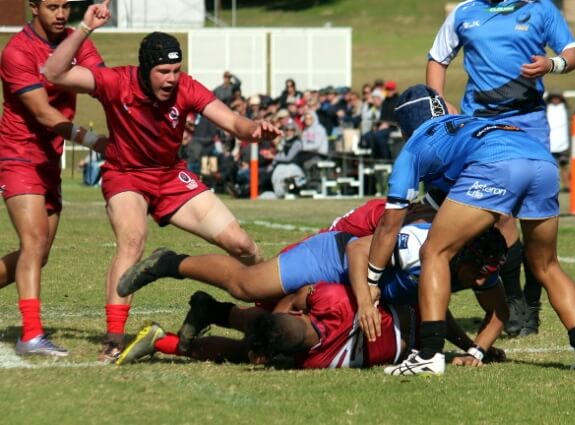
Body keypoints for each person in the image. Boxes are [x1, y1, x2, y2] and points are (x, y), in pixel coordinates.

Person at [43, 4, 281, 362]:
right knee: (133, 238)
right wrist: (86, 28)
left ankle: (273, 308)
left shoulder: (186, 87)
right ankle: (113, 337)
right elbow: (54, 72)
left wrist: (255, 131)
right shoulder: (115, 82)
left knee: (242, 244)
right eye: (163, 71)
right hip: (126, 175)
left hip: (171, 176)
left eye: (176, 70)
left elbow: (233, 122)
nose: (171, 78)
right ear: (145, 69)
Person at [362, 84, 575, 376]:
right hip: (540, 159)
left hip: (496, 163)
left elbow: (390, 224)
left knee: (434, 251)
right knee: (546, 265)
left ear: (404, 128)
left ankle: (428, 354)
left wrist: (372, 279)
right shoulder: (464, 122)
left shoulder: (414, 146)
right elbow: (448, 193)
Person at [426, 0, 575, 337]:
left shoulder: (540, 9)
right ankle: (513, 304)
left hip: (529, 124)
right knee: (499, 216)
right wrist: (437, 104)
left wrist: (551, 65)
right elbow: (437, 58)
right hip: (481, 125)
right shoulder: (465, 11)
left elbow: (573, 53)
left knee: (536, 222)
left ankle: (532, 300)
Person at [0, 0, 107, 356]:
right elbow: (44, 114)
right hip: (17, 156)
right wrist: (96, 142)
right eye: (52, 7)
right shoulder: (16, 52)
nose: (61, 14)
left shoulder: (77, 42)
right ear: (33, 7)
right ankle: (30, 335)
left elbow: (103, 82)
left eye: (66, 6)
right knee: (33, 243)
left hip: (50, 160)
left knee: (39, 253)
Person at [116, 282, 507, 368]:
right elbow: (441, 319)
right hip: (410, 320)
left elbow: (297, 300)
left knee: (245, 345)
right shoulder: (333, 305)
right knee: (242, 348)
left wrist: (471, 347)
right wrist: (473, 347)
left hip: (408, 319)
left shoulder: (328, 306)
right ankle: (181, 333)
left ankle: (208, 314)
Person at [546, 92, 571, 191]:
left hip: (563, 144)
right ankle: (551, 186)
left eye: (558, 98)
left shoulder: (567, 110)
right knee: (550, 168)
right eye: (553, 97)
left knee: (564, 166)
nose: (555, 99)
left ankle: (567, 186)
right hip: (549, 144)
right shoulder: (545, 109)